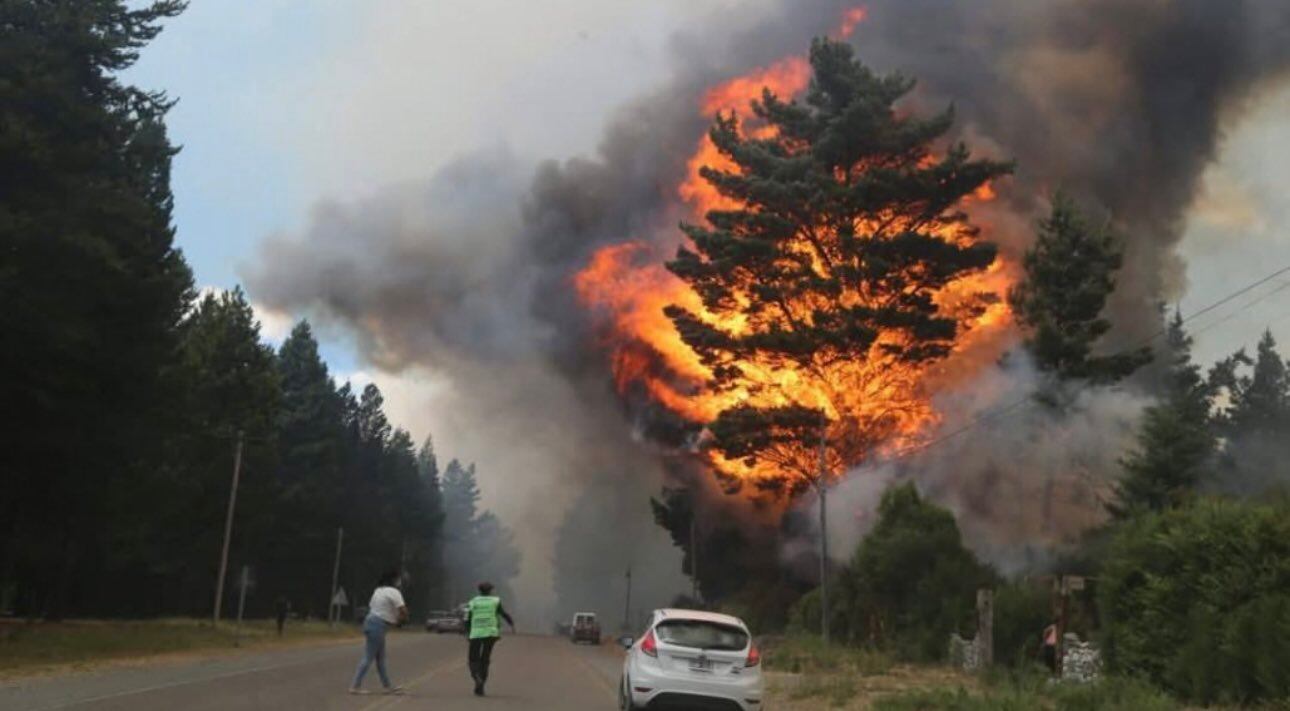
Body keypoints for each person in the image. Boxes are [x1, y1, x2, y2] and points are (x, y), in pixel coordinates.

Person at [349, 571, 408, 695]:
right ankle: (355, 686)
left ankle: (387, 686)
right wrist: (400, 621)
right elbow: (403, 610)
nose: (399, 582)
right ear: (393, 580)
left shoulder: (378, 590)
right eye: (398, 579)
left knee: (380, 659)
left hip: (371, 622)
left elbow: (374, 607)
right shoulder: (394, 592)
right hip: (378, 625)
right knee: (368, 657)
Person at [464, 581, 515, 697]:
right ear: (490, 591)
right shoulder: (495, 601)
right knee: (485, 659)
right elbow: (503, 613)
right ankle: (481, 685)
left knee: (473, 658)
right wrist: (511, 623)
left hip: (476, 632)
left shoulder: (473, 602)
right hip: (491, 633)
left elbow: (467, 618)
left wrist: (467, 632)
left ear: (479, 590)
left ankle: (477, 678)